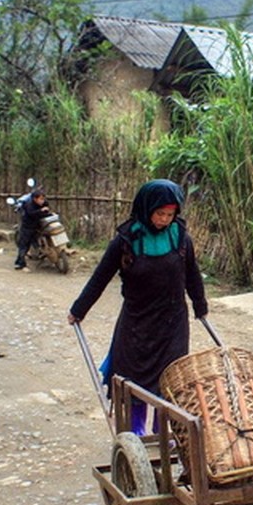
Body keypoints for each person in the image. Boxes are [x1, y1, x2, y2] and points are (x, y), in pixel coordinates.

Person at [66, 179, 208, 435]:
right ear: (146, 208)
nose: (165, 219)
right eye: (160, 213)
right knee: (135, 384)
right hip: (137, 324)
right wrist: (79, 309)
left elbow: (192, 275)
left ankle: (164, 435)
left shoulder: (180, 237)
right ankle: (136, 436)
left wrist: (200, 305)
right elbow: (100, 277)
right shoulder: (126, 240)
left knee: (170, 380)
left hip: (173, 323)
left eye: (170, 214)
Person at [14, 188, 51, 270]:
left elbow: (46, 206)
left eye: (43, 198)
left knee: (38, 241)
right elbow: (31, 214)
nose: (42, 201)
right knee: (24, 245)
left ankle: (39, 254)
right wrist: (41, 210)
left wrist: (46, 211)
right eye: (41, 199)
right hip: (27, 227)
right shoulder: (29, 205)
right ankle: (20, 263)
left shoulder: (43, 202)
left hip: (37, 225)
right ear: (35, 199)